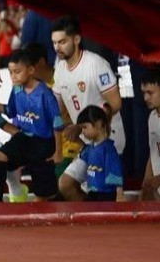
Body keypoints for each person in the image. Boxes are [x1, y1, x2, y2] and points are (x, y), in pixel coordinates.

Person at [50, 15, 125, 202]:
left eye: (62, 41)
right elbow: (55, 108)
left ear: (76, 39)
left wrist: (82, 125)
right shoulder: (59, 68)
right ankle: (93, 221)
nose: (57, 47)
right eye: (54, 42)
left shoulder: (95, 64)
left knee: (104, 192)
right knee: (66, 184)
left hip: (109, 139)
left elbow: (115, 102)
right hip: (86, 142)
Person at [0, 48, 63, 202]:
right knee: (0, 156)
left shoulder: (45, 93)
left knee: (45, 196)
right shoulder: (16, 89)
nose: (13, 76)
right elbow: (10, 111)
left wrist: (58, 151)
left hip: (43, 143)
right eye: (10, 72)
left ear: (30, 70)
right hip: (23, 138)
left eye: (17, 72)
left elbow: (57, 123)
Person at [73, 106, 124, 202]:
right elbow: (82, 155)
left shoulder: (108, 149)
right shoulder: (90, 148)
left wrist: (119, 194)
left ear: (98, 124)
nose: (83, 132)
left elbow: (115, 171)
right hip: (92, 192)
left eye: (85, 127)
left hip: (106, 194)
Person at [140, 70, 160, 201]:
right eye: (143, 93)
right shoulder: (152, 118)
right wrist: (146, 184)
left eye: (150, 93)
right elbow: (153, 153)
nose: (146, 98)